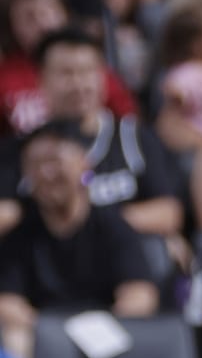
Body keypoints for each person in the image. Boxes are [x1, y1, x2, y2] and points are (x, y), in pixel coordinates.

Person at [0, 25, 183, 238]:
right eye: (66, 73)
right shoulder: (22, 149)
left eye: (87, 71)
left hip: (122, 262)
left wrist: (82, 220)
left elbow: (168, 212)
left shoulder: (134, 137)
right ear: (41, 80)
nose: (79, 84)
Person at [0, 117, 158, 358]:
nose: (46, 173)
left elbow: (140, 295)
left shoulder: (113, 225)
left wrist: (94, 331)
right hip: (45, 340)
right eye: (35, 165)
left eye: (55, 161)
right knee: (15, 339)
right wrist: (54, 332)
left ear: (84, 164)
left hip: (107, 338)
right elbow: (8, 301)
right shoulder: (20, 234)